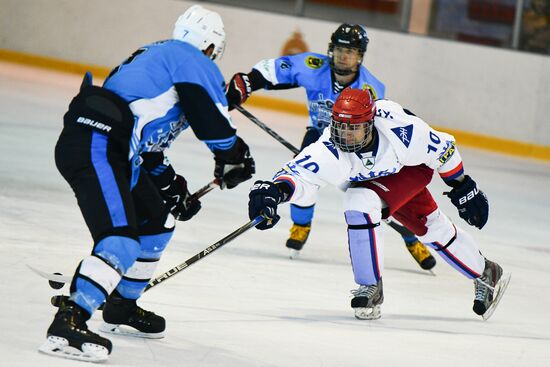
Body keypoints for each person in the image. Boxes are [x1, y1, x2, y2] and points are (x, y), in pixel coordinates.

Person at [40, 5, 255, 362]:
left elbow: (150, 148)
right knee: (120, 242)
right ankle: (69, 322)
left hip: (109, 145)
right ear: (211, 48)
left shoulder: (159, 59)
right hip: (99, 145)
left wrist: (173, 187)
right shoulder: (190, 59)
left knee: (157, 221)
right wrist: (233, 153)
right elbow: (209, 118)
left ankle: (121, 305)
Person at [247, 88, 510, 320]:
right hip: (380, 178)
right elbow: (300, 174)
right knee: (431, 227)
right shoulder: (330, 146)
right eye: (340, 127)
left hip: (411, 168)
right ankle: (486, 272)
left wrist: (463, 186)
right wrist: (274, 193)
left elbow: (443, 149)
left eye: (354, 129)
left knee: (359, 201)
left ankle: (369, 285)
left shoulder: (402, 131)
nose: (345, 136)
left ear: (370, 124)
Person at [226, 23, 436, 271]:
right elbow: (275, 70)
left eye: (351, 52)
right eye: (339, 50)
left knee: (380, 194)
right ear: (331, 50)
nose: (344, 56)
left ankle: (410, 237)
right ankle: (301, 224)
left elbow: (380, 126)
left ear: (360, 56)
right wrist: (247, 82)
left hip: (355, 145)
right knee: (301, 174)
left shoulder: (371, 88)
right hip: (319, 135)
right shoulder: (313, 66)